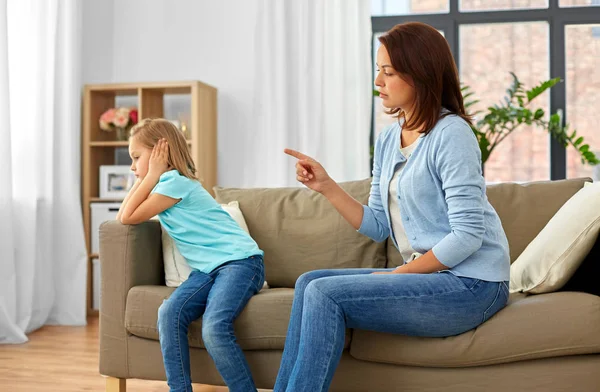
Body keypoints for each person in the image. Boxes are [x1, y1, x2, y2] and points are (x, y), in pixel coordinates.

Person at [274, 22, 510, 392]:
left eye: (388, 72)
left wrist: (401, 274)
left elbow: (467, 236)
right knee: (309, 283)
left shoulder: (452, 135)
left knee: (324, 293)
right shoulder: (388, 140)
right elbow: (378, 225)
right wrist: (326, 186)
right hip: (431, 277)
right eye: (378, 71)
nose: (378, 82)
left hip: (472, 285)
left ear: (420, 75)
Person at [116, 118, 265, 392]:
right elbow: (124, 215)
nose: (132, 166)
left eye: (137, 157)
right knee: (169, 314)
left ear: (162, 151)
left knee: (214, 328)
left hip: (241, 263)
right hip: (208, 269)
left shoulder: (174, 183)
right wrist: (148, 175)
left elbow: (127, 216)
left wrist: (150, 176)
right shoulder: (165, 183)